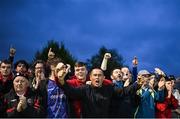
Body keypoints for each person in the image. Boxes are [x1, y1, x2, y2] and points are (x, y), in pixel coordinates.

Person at [58, 66, 142, 118]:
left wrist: (137, 84)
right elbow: (71, 92)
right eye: (95, 75)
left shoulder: (110, 88)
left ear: (103, 77)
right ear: (90, 77)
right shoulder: (84, 89)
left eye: (99, 75)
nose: (97, 77)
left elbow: (124, 91)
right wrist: (61, 80)